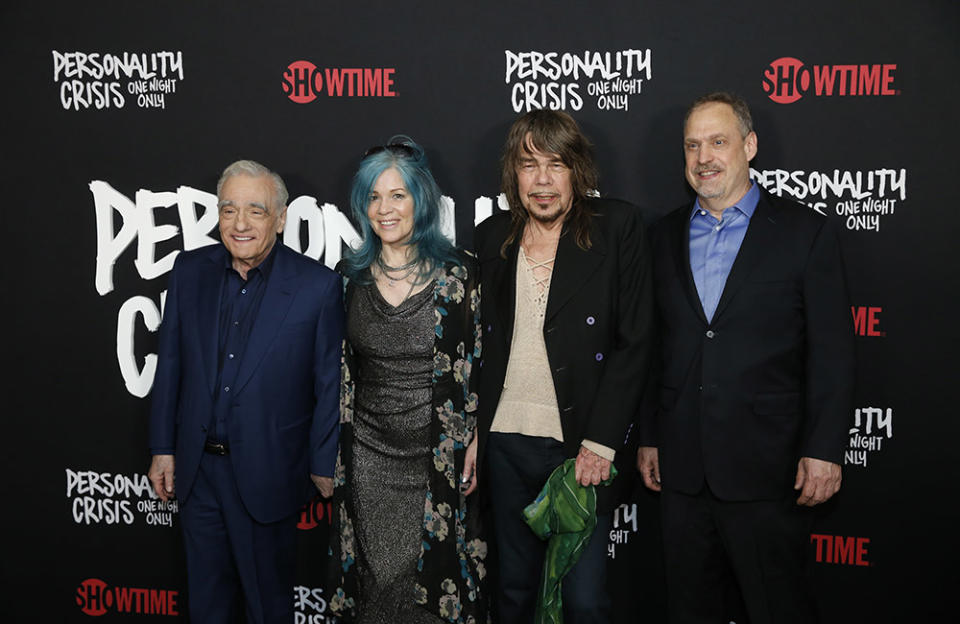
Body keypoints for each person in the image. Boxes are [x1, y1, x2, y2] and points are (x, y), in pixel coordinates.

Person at [637, 92, 855, 624]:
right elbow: (649, 345)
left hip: (768, 470)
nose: (704, 157)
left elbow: (832, 350)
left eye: (718, 141)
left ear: (750, 146)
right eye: (692, 145)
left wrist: (824, 448)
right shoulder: (660, 236)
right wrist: (648, 435)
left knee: (778, 608)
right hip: (683, 472)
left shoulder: (805, 233)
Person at [475, 110, 653, 623]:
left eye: (557, 165)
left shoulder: (617, 227)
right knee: (512, 592)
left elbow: (635, 341)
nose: (544, 181)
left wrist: (601, 440)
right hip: (505, 442)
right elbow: (476, 349)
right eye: (530, 166)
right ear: (514, 175)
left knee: (583, 600)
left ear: (578, 171)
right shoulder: (491, 238)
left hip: (578, 447)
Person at [147, 160, 343, 623]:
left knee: (267, 607)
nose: (240, 224)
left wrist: (322, 463)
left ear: (280, 218)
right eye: (229, 209)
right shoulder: (189, 270)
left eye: (255, 211)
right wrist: (162, 447)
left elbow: (328, 383)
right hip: (197, 475)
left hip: (268, 474)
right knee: (207, 606)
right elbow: (170, 362)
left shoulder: (317, 287)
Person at [328, 137, 488, 623]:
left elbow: (480, 361)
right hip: (369, 459)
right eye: (373, 197)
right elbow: (337, 372)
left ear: (420, 199)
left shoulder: (461, 274)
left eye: (397, 195)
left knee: (433, 592)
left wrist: (475, 432)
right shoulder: (347, 278)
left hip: (438, 458)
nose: (384, 208)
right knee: (377, 588)